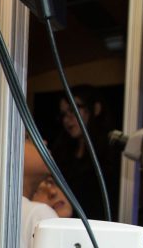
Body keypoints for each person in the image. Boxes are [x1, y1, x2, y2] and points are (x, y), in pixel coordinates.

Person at [50, 84, 120, 221]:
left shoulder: (110, 150)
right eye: (64, 114)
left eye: (73, 110)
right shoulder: (62, 151)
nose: (67, 119)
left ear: (96, 109)